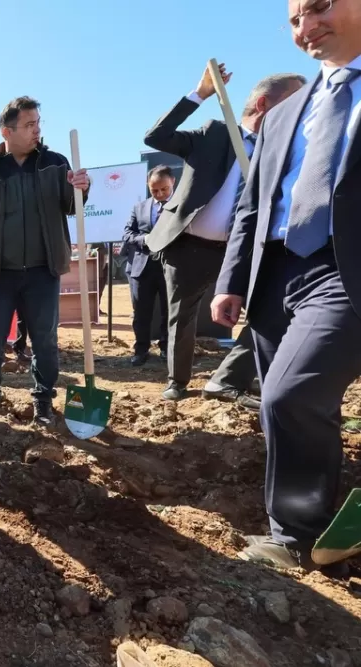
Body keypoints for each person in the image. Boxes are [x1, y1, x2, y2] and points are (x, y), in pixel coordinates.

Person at [213, 0, 361, 572]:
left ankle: (295, 535)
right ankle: (318, 529)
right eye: (294, 19)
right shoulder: (284, 113)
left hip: (343, 269)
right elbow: (254, 204)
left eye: (319, 8)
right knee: (296, 407)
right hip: (275, 273)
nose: (306, 28)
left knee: (289, 396)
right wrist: (232, 280)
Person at [143, 66, 307, 401]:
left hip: (240, 248)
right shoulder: (214, 133)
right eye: (294, 102)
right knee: (182, 314)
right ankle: (178, 381)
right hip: (187, 244)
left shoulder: (279, 150)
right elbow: (155, 137)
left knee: (270, 306)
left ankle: (242, 374)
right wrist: (199, 94)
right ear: (263, 104)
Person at [0, 96, 91, 424]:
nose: (37, 130)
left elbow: (70, 206)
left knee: (45, 339)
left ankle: (43, 400)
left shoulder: (55, 163)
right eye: (29, 125)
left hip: (42, 271)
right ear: (6, 131)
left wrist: (82, 188)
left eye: (38, 123)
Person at [122, 166, 174, 366]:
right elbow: (127, 234)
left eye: (164, 189)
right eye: (155, 190)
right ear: (148, 187)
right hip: (141, 268)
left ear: (173, 183)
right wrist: (146, 239)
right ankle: (141, 350)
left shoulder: (181, 206)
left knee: (169, 312)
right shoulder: (139, 208)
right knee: (141, 313)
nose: (160, 194)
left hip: (170, 268)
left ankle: (166, 349)